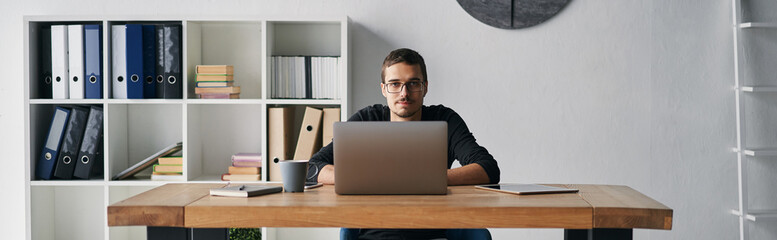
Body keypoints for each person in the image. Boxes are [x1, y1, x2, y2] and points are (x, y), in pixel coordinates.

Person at [308, 48, 500, 240]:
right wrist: (369, 178)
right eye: (395, 84)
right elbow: (313, 168)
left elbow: (488, 169)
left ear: (425, 87)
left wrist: (429, 180)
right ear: (383, 89)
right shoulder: (366, 119)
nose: (404, 93)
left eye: (413, 83)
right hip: (373, 234)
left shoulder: (445, 119)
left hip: (437, 232)